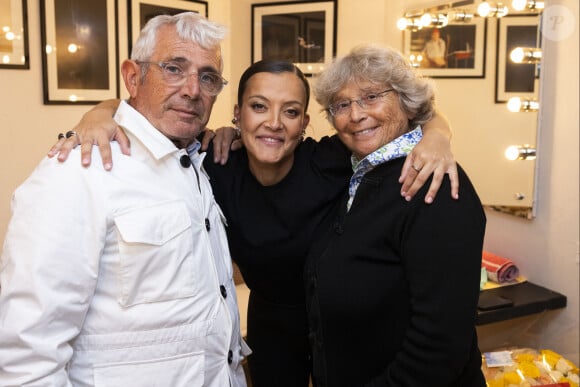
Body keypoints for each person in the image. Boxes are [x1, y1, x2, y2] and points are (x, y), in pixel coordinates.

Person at [48, 60, 459, 386]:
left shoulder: (329, 161)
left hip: (341, 320)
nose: (274, 122)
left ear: (305, 125)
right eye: (259, 106)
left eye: (291, 111)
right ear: (237, 114)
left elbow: (413, 118)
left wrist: (439, 136)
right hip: (271, 323)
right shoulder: (215, 163)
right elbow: (142, 115)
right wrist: (98, 113)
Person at [0, 12, 248, 386]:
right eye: (174, 69)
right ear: (133, 76)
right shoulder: (78, 171)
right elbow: (27, 352)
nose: (193, 90)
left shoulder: (201, 164)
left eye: (208, 77)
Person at [304, 43, 486, 386]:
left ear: (406, 101)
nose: (356, 115)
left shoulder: (434, 184)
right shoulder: (354, 172)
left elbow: (439, 348)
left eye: (372, 97)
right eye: (342, 105)